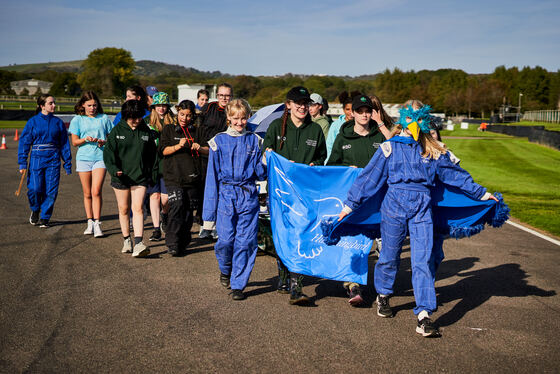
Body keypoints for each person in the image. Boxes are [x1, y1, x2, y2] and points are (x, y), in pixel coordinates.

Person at [337, 103, 498, 337]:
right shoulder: (388, 148)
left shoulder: (432, 150)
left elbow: (456, 176)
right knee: (390, 255)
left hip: (422, 208)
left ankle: (424, 315)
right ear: (403, 123)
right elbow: (368, 179)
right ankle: (383, 294)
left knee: (422, 259)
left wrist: (482, 193)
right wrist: (349, 205)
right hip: (393, 206)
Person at [262, 86, 327, 305]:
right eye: (297, 103)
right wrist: (271, 156)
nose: (302, 106)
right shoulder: (275, 126)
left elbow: (321, 158)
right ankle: (283, 276)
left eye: (305, 103)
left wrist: (313, 164)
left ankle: (295, 285)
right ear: (288, 105)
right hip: (279, 193)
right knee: (282, 236)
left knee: (300, 236)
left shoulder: (315, 131)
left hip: (304, 193)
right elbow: (265, 156)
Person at [203, 99, 267, 300]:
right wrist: (208, 216)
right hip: (226, 196)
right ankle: (225, 267)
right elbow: (211, 179)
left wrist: (265, 161)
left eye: (243, 118)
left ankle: (238, 284)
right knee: (226, 240)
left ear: (248, 117)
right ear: (228, 118)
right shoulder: (218, 141)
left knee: (246, 242)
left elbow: (260, 173)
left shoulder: (255, 141)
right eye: (235, 118)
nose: (240, 122)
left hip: (248, 196)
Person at [326, 94, 387, 306]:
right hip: (351, 200)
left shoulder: (379, 137)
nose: (364, 115)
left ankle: (383, 289)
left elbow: (396, 153)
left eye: (367, 111)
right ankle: (352, 286)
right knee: (353, 243)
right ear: (352, 113)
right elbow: (331, 165)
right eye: (359, 111)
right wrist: (346, 170)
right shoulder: (343, 138)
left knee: (382, 245)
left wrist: (380, 123)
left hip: (376, 200)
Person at [104, 100, 158, 258]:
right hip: (120, 177)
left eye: (139, 117)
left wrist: (152, 174)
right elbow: (108, 155)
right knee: (124, 209)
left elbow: (152, 155)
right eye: (133, 118)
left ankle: (139, 243)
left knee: (138, 208)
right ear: (126, 116)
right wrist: (114, 170)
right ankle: (127, 239)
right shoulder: (116, 131)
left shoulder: (145, 131)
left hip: (140, 177)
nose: (137, 120)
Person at [18, 94, 72, 227]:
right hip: (37, 158)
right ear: (42, 106)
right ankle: (35, 209)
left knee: (51, 191)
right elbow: (24, 142)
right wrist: (23, 162)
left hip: (53, 159)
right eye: (51, 103)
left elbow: (64, 144)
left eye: (54, 103)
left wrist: (67, 163)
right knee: (35, 189)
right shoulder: (33, 122)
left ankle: (45, 216)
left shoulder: (58, 123)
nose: (54, 105)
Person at [69, 91, 114, 237]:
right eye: (89, 105)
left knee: (96, 191)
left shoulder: (104, 118)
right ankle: (89, 222)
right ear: (83, 105)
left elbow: (112, 139)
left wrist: (104, 141)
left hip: (100, 157)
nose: (92, 108)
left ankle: (97, 223)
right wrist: (85, 139)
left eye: (95, 105)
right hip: (83, 159)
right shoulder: (77, 119)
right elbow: (75, 142)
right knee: (87, 193)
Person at [159, 100, 201, 256]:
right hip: (173, 177)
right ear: (177, 113)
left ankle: (184, 241)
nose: (185, 118)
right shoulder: (169, 129)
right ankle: (172, 242)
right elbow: (163, 151)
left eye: (189, 115)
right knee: (176, 206)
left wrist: (199, 147)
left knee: (189, 211)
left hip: (192, 177)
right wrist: (178, 146)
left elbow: (207, 150)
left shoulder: (197, 132)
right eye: (182, 114)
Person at [198, 83, 233, 239]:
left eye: (227, 95)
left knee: (222, 190)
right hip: (205, 153)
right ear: (217, 95)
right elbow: (199, 127)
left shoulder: (233, 110)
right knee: (205, 190)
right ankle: (204, 224)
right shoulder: (209, 107)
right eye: (221, 95)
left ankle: (218, 225)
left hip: (225, 156)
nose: (224, 98)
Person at [146, 92, 174, 241]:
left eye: (164, 105)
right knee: (154, 196)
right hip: (151, 164)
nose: (161, 108)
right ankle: (156, 229)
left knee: (165, 199)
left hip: (167, 164)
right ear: (154, 106)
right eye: (159, 105)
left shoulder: (173, 122)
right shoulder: (146, 122)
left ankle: (165, 214)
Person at [325, 91, 359, 161]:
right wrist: (328, 164)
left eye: (353, 109)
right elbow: (329, 146)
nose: (351, 112)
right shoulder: (335, 125)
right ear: (343, 110)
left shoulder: (361, 124)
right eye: (347, 109)